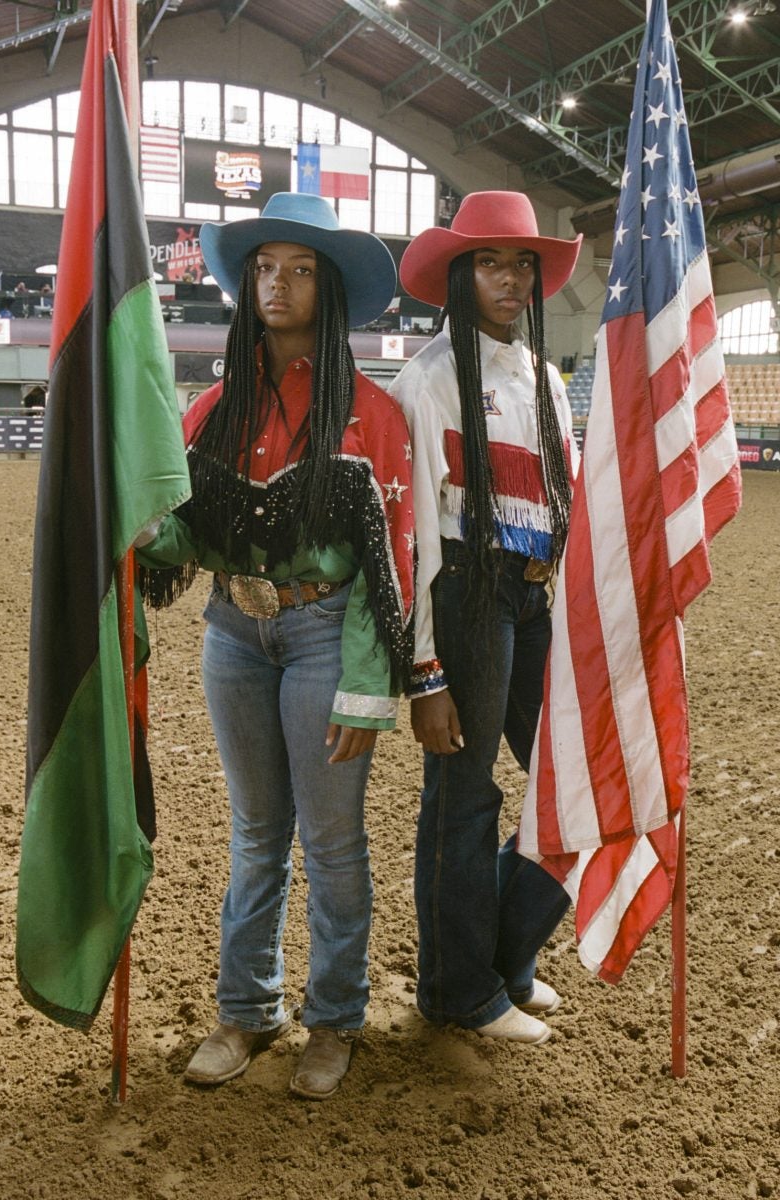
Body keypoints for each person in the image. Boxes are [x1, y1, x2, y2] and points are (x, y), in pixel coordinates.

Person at [137, 193, 414, 1098]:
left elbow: (387, 567)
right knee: (256, 835)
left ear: (327, 291)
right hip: (233, 632)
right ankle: (246, 1012)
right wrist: (134, 525)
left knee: (332, 841)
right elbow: (186, 537)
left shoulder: (371, 413)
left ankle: (334, 1021)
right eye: (264, 268)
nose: (278, 284)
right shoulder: (214, 409)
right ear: (245, 283)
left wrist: (369, 689)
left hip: (327, 632)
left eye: (299, 269)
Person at [388, 191, 582, 1045]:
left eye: (522, 266)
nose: (509, 280)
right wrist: (426, 672)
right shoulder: (427, 381)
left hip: (533, 596)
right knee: (466, 796)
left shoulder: (546, 381)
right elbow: (418, 539)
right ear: (461, 275)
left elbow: (562, 502)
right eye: (492, 263)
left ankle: (503, 953)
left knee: (574, 781)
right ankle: (457, 989)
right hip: (464, 593)